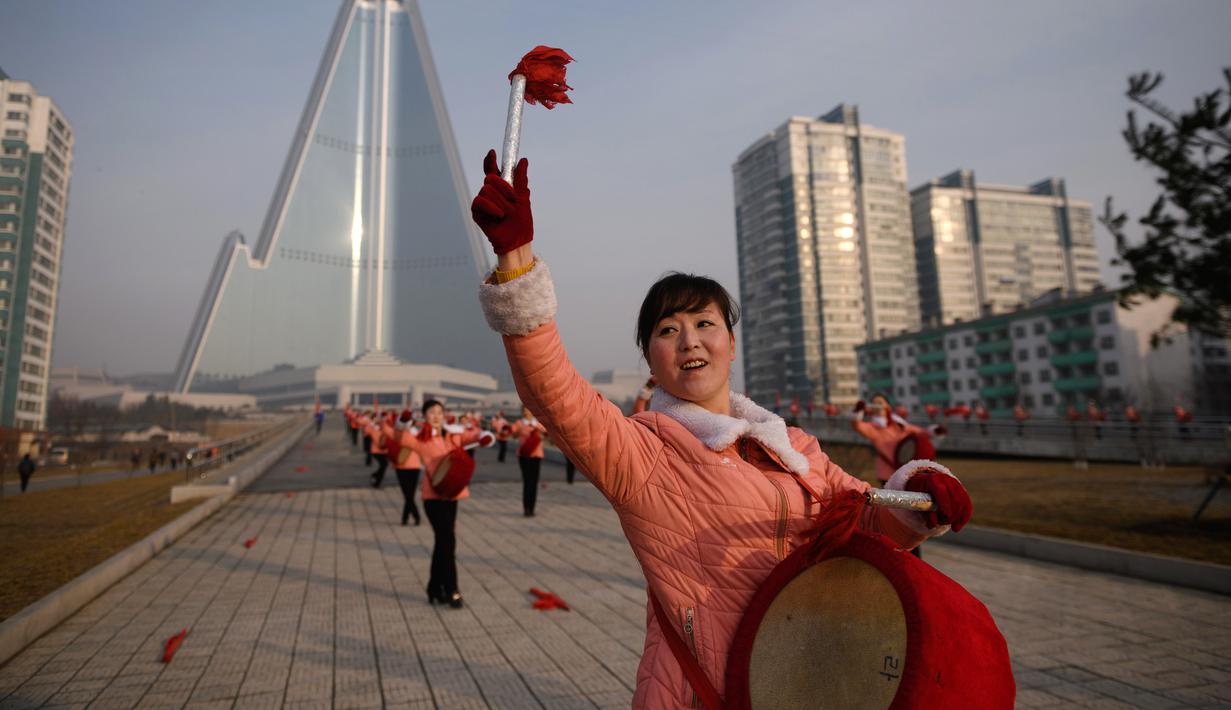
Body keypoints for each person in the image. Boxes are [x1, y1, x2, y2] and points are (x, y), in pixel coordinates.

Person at [470, 150, 972, 707]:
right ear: (650, 358)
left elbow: (868, 518)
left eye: (704, 323)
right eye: (668, 330)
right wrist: (515, 259)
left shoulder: (794, 448)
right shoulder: (642, 452)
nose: (689, 341)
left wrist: (919, 497)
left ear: (730, 344)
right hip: (702, 691)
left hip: (807, 680)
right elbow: (554, 392)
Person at [398, 399, 492, 608]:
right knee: (446, 540)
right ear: (424, 416)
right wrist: (403, 422)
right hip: (433, 496)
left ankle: (434, 587)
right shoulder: (420, 439)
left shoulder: (452, 435)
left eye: (439, 412)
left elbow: (472, 436)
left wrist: (484, 437)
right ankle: (452, 589)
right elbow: (400, 439)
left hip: (451, 495)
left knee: (445, 542)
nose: (436, 415)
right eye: (431, 412)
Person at [850, 394, 945, 487]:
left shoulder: (899, 424)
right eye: (874, 403)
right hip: (887, 473)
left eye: (880, 402)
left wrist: (934, 431)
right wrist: (858, 411)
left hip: (905, 471)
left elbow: (920, 432)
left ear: (887, 405)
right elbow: (857, 425)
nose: (877, 405)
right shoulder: (872, 427)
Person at [511, 406, 547, 516]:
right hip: (524, 455)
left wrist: (538, 428)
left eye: (529, 410)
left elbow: (547, 433)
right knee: (527, 481)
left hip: (536, 455)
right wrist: (522, 429)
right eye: (525, 410)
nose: (527, 412)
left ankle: (532, 508)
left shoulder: (538, 424)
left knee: (534, 482)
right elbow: (513, 434)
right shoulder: (519, 423)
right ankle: (526, 508)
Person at [390, 409, 422, 526]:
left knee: (409, 494)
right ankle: (414, 515)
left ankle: (407, 517)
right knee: (408, 494)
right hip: (402, 464)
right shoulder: (399, 433)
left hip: (412, 465)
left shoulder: (416, 434)